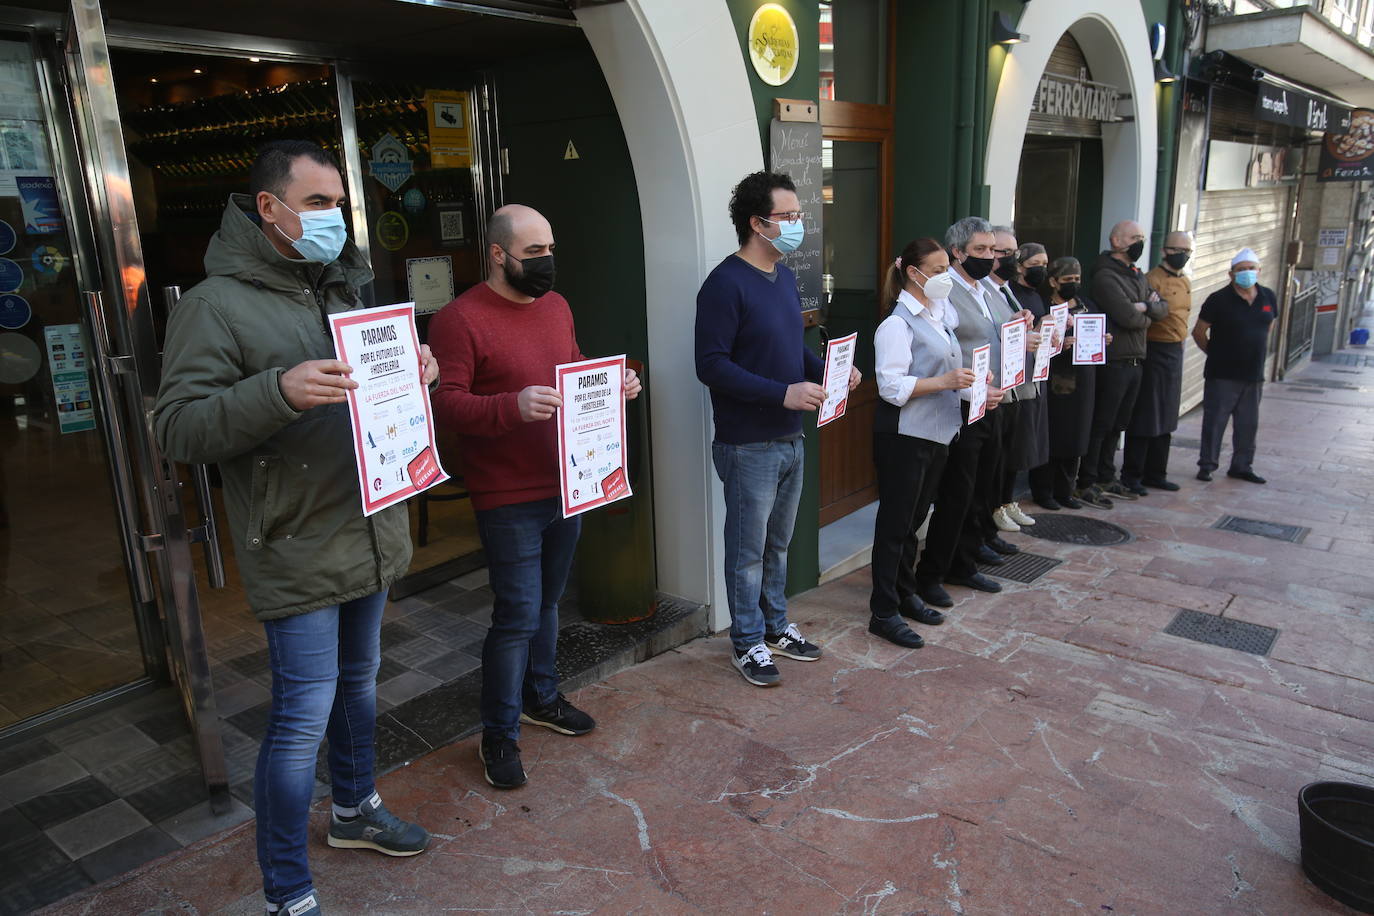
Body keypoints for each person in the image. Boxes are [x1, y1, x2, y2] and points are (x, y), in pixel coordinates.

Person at [154, 140, 435, 916]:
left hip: (368, 524)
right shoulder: (213, 305)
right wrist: (276, 391)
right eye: (317, 203)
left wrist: (417, 370)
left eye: (339, 202)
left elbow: (374, 391)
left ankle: (353, 811)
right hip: (296, 541)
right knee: (302, 716)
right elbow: (175, 429)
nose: (334, 217)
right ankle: (287, 888)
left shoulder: (343, 287)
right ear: (268, 209)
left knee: (359, 690)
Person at [429, 204, 641, 789]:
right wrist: (510, 406)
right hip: (505, 493)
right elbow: (445, 403)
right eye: (534, 253)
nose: (547, 263)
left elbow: (571, 368)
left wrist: (611, 382)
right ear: (499, 255)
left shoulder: (557, 306)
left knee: (547, 603)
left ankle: (541, 699)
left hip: (565, 480)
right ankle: (498, 734)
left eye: (551, 249)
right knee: (517, 613)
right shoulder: (459, 319)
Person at [695, 170, 859, 687]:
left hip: (791, 436)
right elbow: (711, 365)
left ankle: (774, 625)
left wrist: (829, 371)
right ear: (757, 223)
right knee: (747, 552)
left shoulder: (785, 278)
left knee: (779, 544)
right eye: (788, 217)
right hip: (748, 443)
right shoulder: (724, 284)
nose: (798, 225)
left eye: (799, 216)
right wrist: (781, 392)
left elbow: (792, 351)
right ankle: (747, 644)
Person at [868, 238, 973, 648]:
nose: (946, 275)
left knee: (913, 522)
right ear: (914, 273)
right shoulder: (896, 324)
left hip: (938, 431)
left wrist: (977, 391)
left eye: (948, 266)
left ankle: (904, 593)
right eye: (939, 268)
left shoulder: (939, 316)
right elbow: (892, 387)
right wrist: (945, 383)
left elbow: (951, 371)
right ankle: (883, 611)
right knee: (895, 525)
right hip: (904, 436)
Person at [914, 217, 1007, 610]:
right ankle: (932, 572)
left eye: (993, 250)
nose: (990, 257)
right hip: (961, 401)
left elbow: (998, 332)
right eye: (981, 250)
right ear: (958, 252)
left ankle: (964, 561)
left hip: (994, 397)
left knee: (981, 486)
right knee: (956, 490)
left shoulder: (988, 288)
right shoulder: (945, 290)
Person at [1079, 220, 1168, 504]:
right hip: (1114, 360)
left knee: (1118, 425)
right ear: (1116, 241)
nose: (1139, 242)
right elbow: (1127, 317)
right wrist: (1146, 311)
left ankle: (1107, 475)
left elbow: (1163, 307)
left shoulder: (1137, 274)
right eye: (1133, 237)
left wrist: (1144, 307)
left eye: (1141, 236)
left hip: (1135, 361)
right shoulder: (1106, 276)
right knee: (1102, 424)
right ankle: (1088, 479)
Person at [1028, 258, 1109, 510]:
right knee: (1054, 433)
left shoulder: (1088, 305)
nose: (1073, 284)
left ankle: (1066, 490)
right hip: (1057, 380)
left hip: (1084, 379)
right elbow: (1038, 344)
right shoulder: (1044, 306)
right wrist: (1060, 344)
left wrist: (1103, 339)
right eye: (1067, 280)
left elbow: (1095, 331)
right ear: (1053, 281)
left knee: (1078, 433)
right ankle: (1044, 491)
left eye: (1076, 279)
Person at [1192, 248, 1275, 484]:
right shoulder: (1218, 299)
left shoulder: (1268, 297)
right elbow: (1198, 332)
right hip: (1222, 374)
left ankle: (1242, 466)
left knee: (1248, 425)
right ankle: (1207, 465)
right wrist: (1214, 353)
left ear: (1259, 271)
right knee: (1215, 422)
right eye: (1241, 270)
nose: (1247, 273)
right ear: (1231, 274)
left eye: (1251, 269)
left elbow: (1270, 325)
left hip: (1253, 374)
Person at [982, 227, 1042, 537]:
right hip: (995, 389)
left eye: (1013, 252)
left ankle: (1004, 504)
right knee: (993, 461)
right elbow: (991, 337)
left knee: (1010, 454)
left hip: (1017, 384)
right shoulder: (985, 290)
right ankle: (993, 510)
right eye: (1003, 252)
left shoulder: (1006, 290)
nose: (1010, 258)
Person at [1123, 231, 1194, 492]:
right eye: (1178, 250)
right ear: (1165, 250)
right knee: (1146, 414)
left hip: (1175, 351)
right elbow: (1154, 310)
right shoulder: (1152, 279)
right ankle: (1133, 475)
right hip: (1153, 349)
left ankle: (1157, 472)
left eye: (1188, 251)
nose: (1183, 256)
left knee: (1167, 414)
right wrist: (1153, 308)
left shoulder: (1185, 280)